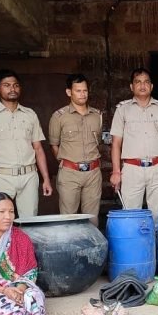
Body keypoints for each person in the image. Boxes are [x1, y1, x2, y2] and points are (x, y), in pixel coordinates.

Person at [0, 69, 52, 218]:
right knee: (0, 220)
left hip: (29, 176)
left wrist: (46, 179)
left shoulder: (30, 114)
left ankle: (25, 236)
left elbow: (38, 148)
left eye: (16, 85)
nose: (12, 89)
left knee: (30, 220)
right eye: (7, 85)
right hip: (1, 176)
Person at [110, 68, 158, 223]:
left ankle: (155, 240)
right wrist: (116, 172)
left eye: (146, 82)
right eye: (138, 82)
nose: (142, 85)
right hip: (132, 169)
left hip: (157, 167)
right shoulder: (122, 110)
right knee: (131, 215)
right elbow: (116, 143)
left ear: (151, 86)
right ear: (131, 86)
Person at [48, 74, 103, 225]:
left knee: (92, 218)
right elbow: (54, 145)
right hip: (70, 173)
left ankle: (91, 242)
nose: (82, 94)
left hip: (93, 173)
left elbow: (97, 141)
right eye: (78, 91)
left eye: (85, 90)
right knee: (68, 219)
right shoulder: (59, 116)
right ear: (69, 92)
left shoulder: (97, 115)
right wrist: (66, 164)